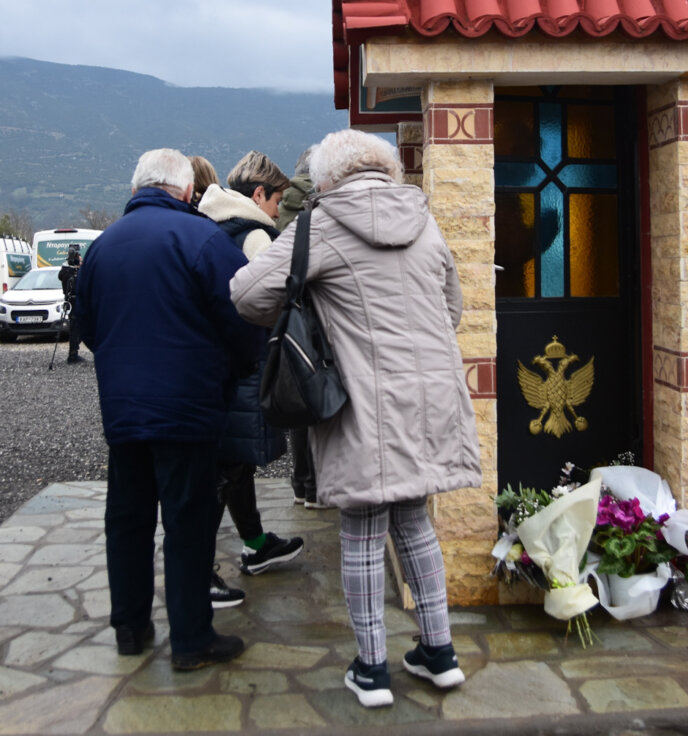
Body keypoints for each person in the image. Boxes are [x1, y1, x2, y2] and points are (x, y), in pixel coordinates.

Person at [230, 129, 481, 708]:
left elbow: (246, 293)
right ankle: (439, 653)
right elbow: (452, 308)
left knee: (363, 528)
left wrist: (314, 307)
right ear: (384, 168)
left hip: (363, 404)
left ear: (325, 178)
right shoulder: (423, 219)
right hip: (429, 399)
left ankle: (372, 670)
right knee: (414, 520)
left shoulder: (320, 224)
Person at [74, 148, 261, 671]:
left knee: (127, 519)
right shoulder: (203, 239)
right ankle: (191, 639)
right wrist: (236, 370)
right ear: (187, 191)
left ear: (136, 189)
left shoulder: (103, 246)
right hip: (190, 408)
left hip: (124, 410)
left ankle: (130, 627)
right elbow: (244, 315)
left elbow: (86, 326)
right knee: (188, 523)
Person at [196, 151, 304, 581]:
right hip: (241, 363)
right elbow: (273, 300)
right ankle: (197, 569)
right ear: (259, 195)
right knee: (227, 468)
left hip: (210, 363)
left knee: (234, 461)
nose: (277, 212)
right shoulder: (256, 236)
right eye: (276, 201)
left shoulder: (209, 226)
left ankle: (256, 543)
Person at [273, 145, 326, 510]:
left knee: (297, 397)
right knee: (323, 397)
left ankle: (300, 484)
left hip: (289, 315)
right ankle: (319, 488)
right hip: (319, 314)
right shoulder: (321, 206)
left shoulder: (283, 207)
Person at [58, 246, 81, 363]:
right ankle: (73, 354)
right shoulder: (68, 272)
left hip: (72, 302)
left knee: (76, 328)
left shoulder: (65, 271)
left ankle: (74, 351)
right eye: (79, 259)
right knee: (76, 328)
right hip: (75, 302)